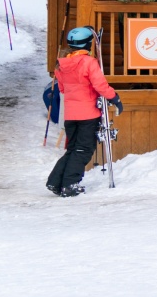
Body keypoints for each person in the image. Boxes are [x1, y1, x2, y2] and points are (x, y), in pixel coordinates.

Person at [47, 26, 122, 197]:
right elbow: (100, 85)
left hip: (71, 114)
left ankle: (56, 181)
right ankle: (70, 184)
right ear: (88, 44)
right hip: (88, 113)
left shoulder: (61, 64)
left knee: (73, 148)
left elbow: (63, 88)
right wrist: (114, 98)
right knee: (83, 150)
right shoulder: (89, 63)